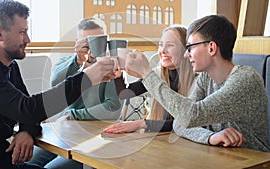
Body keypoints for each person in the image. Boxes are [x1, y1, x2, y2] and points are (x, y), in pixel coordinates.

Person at [0, 1, 116, 169]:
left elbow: (26, 109)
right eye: (22, 32)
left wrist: (26, 130)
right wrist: (87, 78)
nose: (28, 39)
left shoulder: (8, 64)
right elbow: (30, 109)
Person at [122, 14, 270, 152]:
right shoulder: (205, 78)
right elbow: (180, 123)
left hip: (254, 162)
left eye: (191, 47)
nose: (187, 54)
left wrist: (147, 74)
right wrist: (210, 137)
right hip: (220, 158)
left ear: (211, 48)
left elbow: (191, 116)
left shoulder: (246, 79)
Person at [104, 24, 246, 149]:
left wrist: (142, 123)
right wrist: (117, 75)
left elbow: (191, 119)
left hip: (189, 145)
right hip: (165, 142)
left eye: (170, 45)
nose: (162, 50)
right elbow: (125, 94)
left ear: (186, 49)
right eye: (160, 45)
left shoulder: (201, 79)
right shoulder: (158, 75)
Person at [28, 18, 122, 169]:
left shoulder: (111, 70)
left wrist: (74, 114)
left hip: (91, 137)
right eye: (87, 41)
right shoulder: (66, 63)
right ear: (77, 42)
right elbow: (54, 82)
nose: (92, 46)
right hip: (60, 133)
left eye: (98, 40)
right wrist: (78, 60)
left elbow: (113, 108)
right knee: (27, 162)